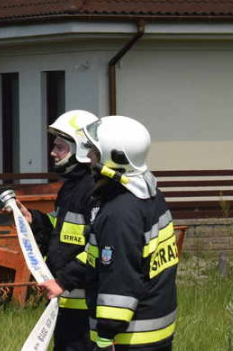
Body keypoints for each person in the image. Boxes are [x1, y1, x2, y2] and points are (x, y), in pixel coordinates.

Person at [42, 116, 178, 350]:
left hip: (128, 339)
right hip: (154, 332)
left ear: (114, 156)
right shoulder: (150, 195)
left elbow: (120, 279)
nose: (89, 157)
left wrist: (105, 337)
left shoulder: (119, 213)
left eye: (94, 151)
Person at [17, 110, 97, 351]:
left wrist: (63, 280)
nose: (53, 153)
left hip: (86, 305)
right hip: (66, 299)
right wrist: (34, 219)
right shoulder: (71, 187)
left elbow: (99, 247)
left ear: (81, 149)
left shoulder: (94, 190)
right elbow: (60, 227)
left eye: (60, 147)